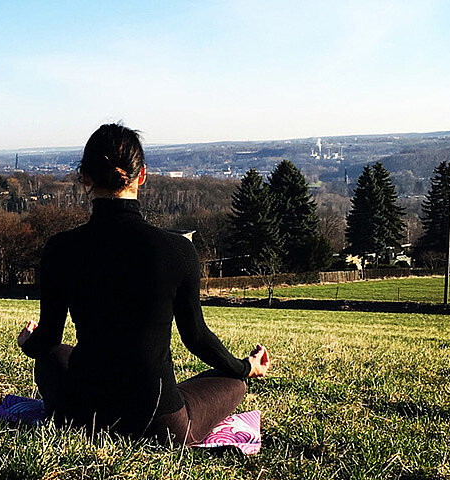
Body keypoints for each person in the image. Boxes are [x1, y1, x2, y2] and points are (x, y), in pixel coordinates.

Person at [18, 123, 270, 445]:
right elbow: (196, 338)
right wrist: (243, 366)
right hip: (157, 420)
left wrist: (29, 342)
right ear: (142, 176)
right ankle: (239, 376)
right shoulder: (178, 250)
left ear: (84, 178)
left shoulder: (60, 248)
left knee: (51, 357)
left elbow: (49, 340)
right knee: (234, 383)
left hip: (81, 411)